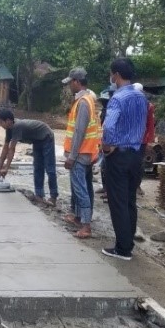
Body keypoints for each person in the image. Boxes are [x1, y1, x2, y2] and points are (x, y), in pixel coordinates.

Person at [101, 58, 148, 261]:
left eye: (112, 74)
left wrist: (107, 146)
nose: (111, 78)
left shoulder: (117, 98)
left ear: (116, 75)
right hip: (136, 154)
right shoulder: (141, 98)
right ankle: (128, 243)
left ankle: (122, 248)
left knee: (117, 201)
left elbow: (109, 126)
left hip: (119, 154)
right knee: (130, 200)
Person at [61, 68, 100, 239]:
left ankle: (86, 226)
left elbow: (79, 132)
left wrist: (72, 156)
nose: (69, 85)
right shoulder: (88, 100)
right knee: (83, 187)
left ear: (77, 81)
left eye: (70, 82)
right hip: (86, 152)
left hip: (80, 154)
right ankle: (80, 218)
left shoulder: (83, 102)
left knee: (80, 189)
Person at [0, 109, 58, 205]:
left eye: (0, 122)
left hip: (46, 137)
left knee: (49, 168)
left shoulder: (17, 126)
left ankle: (53, 197)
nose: (0, 125)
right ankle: (39, 195)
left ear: (8, 121)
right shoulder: (9, 129)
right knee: (37, 167)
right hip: (36, 140)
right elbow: (5, 149)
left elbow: (12, 149)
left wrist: (6, 168)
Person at [133, 82, 155, 195]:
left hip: (141, 139)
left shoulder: (148, 106)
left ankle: (137, 185)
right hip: (131, 139)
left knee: (139, 163)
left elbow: (150, 124)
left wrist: (149, 140)